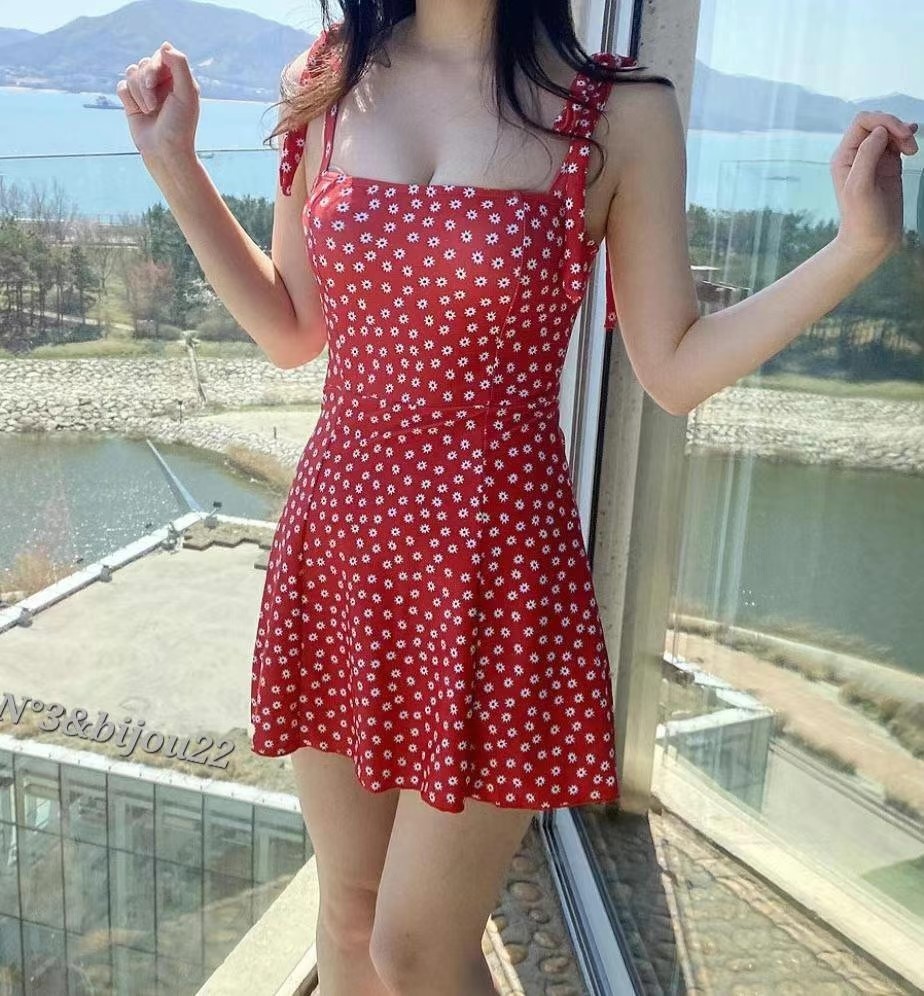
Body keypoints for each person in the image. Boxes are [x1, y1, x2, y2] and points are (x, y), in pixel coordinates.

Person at [116, 3, 918, 994]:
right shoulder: (329, 74)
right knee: (351, 909)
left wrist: (856, 247)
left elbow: (673, 367)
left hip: (497, 574)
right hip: (341, 550)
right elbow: (291, 329)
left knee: (417, 949)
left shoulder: (617, 110)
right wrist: (173, 164)